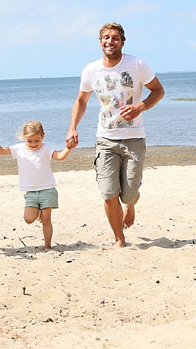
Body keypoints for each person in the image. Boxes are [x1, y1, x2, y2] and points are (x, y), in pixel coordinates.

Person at [66, 22, 165, 248]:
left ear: (122, 41)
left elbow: (158, 91)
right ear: (100, 41)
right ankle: (119, 239)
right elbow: (81, 101)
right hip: (106, 139)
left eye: (115, 38)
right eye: (106, 38)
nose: (110, 41)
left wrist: (141, 107)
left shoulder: (137, 64)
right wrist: (72, 128)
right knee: (109, 192)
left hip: (134, 137)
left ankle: (131, 205)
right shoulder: (91, 70)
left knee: (128, 195)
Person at [0, 120, 73, 250]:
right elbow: (1, 151)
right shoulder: (19, 149)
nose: (33, 144)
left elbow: (59, 156)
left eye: (37, 140)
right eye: (29, 141)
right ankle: (38, 212)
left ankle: (47, 246)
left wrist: (68, 148)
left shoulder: (46, 148)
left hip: (47, 189)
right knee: (28, 219)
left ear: (42, 137)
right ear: (24, 138)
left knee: (46, 219)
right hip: (31, 192)